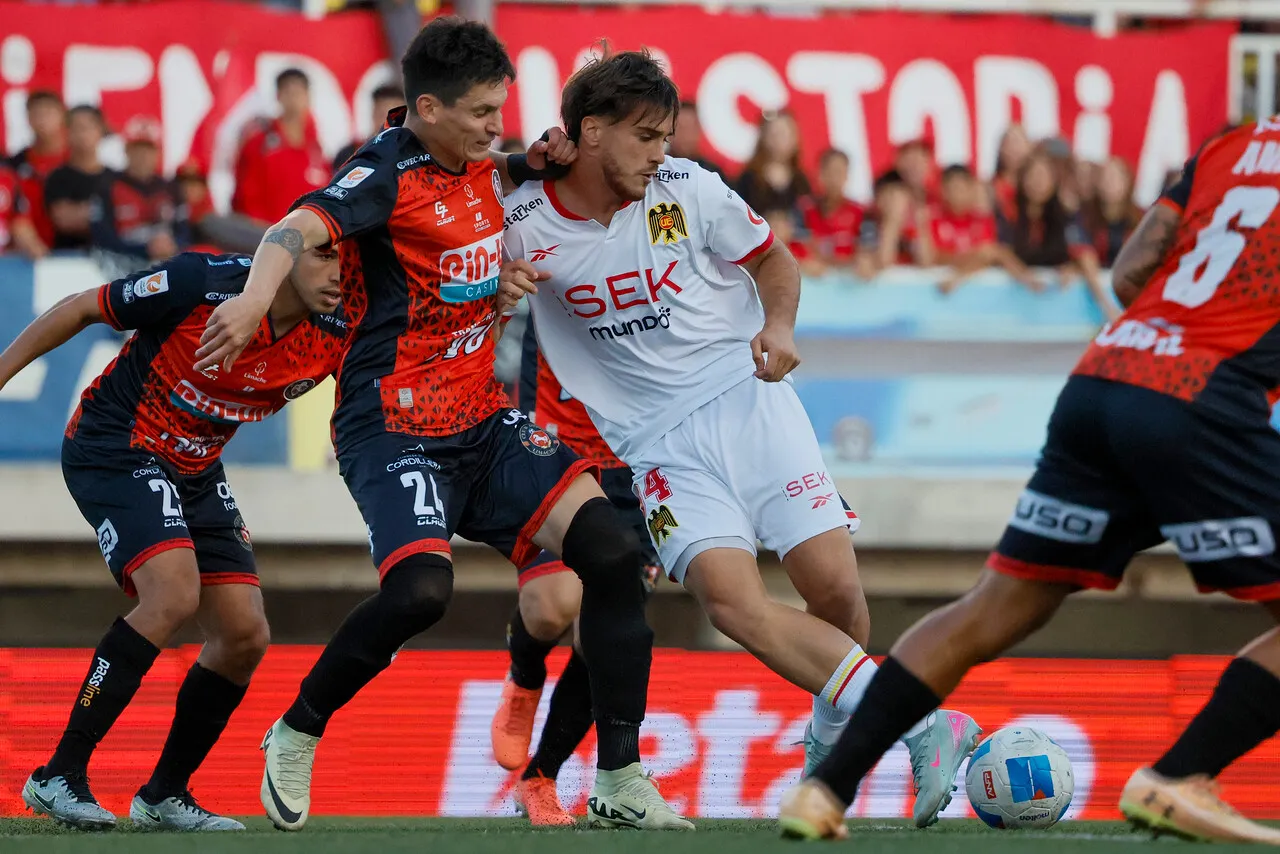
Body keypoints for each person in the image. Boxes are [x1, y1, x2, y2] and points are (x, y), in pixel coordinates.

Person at [194, 17, 684, 832]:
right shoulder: (383, 172)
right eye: (484, 112)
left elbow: (487, 189)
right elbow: (293, 228)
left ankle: (621, 776)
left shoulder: (479, 162)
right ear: (428, 108)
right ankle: (298, 727)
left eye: (501, 109)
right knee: (422, 593)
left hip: (480, 419)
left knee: (613, 553)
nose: (498, 127)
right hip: (394, 426)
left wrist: (508, 242)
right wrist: (252, 299)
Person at [499, 49, 979, 830]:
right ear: (589, 132)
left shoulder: (687, 188)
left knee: (836, 593)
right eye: (645, 136)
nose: (660, 152)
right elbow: (441, 197)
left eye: (665, 136)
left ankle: (830, 738)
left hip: (749, 401)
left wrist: (779, 324)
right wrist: (496, 283)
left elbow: (773, 260)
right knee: (732, 604)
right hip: (657, 446)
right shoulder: (520, 221)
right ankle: (921, 724)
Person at [778, 120, 1280, 844]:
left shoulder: (1233, 145)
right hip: (1202, 402)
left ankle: (826, 789)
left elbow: (1130, 272)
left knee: (994, 607)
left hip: (1104, 378)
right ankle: (1179, 775)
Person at [0, 238, 346, 832]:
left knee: (244, 634)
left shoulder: (342, 329)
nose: (339, 272)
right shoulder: (200, 283)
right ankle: (59, 774)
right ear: (282, 254)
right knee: (173, 594)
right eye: (323, 254)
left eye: (346, 258)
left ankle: (164, 795)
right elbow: (82, 307)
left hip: (197, 467)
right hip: (116, 444)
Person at [490, 321, 664, 826]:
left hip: (639, 471)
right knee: (551, 609)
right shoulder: (556, 288)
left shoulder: (671, 292)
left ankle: (540, 778)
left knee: (603, 640)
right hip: (558, 455)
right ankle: (525, 677)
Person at [232, 68, 330, 226]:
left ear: (308, 96)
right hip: (265, 233)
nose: (294, 99)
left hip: (306, 236)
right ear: (278, 96)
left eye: (298, 92)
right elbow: (245, 195)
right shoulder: (260, 144)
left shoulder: (316, 149)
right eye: (288, 92)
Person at [928, 164, 1039, 294]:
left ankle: (1029, 280)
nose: (957, 194)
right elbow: (934, 258)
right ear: (943, 191)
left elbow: (989, 255)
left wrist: (961, 270)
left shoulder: (983, 220)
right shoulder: (932, 219)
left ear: (971, 189)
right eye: (952, 188)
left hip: (977, 293)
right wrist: (973, 257)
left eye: (961, 188)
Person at [92, 115, 187, 266]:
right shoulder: (107, 186)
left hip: (166, 264)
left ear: (157, 153)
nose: (143, 156)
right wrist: (144, 249)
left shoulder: (171, 188)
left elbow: (184, 230)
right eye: (137, 150)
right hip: (121, 264)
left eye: (148, 150)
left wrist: (174, 245)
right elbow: (101, 235)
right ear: (126, 150)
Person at [43, 105, 113, 252]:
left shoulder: (116, 178)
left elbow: (125, 221)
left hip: (112, 257)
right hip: (70, 259)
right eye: (76, 128)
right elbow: (64, 221)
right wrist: (106, 214)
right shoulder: (58, 178)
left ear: (101, 130)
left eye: (88, 127)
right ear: (67, 133)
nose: (83, 134)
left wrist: (84, 212)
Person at [9, 89, 67, 253]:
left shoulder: (75, 161)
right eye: (36, 114)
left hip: (72, 252)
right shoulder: (14, 164)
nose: (42, 120)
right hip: (24, 253)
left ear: (62, 116)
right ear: (28, 118)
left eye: (48, 113)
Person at [795, 148, 863, 269]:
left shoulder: (859, 212)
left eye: (839, 172)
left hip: (847, 278)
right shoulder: (803, 209)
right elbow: (794, 251)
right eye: (829, 172)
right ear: (819, 174)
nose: (834, 178)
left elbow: (866, 256)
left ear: (847, 176)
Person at [734, 112, 810, 216]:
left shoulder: (801, 182)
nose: (778, 140)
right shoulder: (749, 179)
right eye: (774, 134)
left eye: (784, 134)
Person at [1083, 156, 1144, 267]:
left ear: (1128, 182)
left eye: (1115, 177)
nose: (1110, 182)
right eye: (1105, 177)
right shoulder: (1086, 215)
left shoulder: (1142, 218)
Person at [332, 84, 406, 171]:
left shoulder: (414, 154)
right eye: (382, 114)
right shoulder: (350, 154)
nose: (390, 122)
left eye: (396, 116)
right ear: (373, 114)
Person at [667, 100, 720, 176]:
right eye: (681, 128)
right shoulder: (657, 168)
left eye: (690, 128)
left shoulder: (712, 174)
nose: (685, 136)